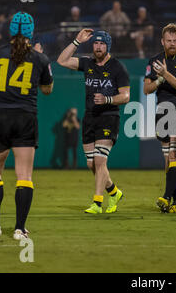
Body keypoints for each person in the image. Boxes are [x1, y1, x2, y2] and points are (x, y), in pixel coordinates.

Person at [0, 12, 54, 239]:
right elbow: (47, 90)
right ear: (31, 32)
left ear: (10, 30)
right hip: (25, 118)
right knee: (24, 175)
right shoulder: (40, 59)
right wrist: (39, 59)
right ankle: (20, 229)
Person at [57, 29, 130, 214]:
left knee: (99, 160)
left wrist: (107, 99)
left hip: (109, 116)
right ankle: (114, 192)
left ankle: (97, 203)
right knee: (91, 164)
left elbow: (126, 96)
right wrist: (76, 41)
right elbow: (62, 60)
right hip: (90, 117)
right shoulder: (88, 63)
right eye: (95, 44)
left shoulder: (117, 67)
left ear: (108, 46)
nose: (98, 47)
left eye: (102, 44)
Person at [143, 23, 176, 213]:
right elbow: (146, 89)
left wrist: (165, 74)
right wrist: (159, 80)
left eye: (175, 40)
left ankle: (168, 197)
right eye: (169, 41)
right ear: (162, 41)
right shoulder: (155, 60)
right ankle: (175, 201)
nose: (172, 44)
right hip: (162, 110)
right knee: (168, 159)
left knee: (175, 154)